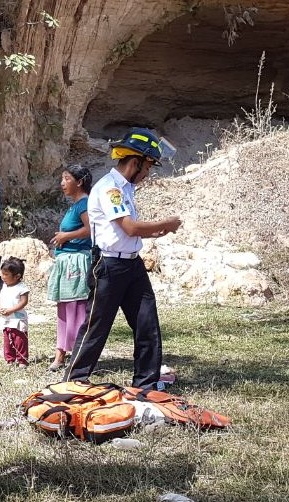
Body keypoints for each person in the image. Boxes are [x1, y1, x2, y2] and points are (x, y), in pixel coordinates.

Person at [63, 128, 182, 390]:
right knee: (97, 326)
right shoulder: (111, 189)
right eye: (148, 166)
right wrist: (167, 223)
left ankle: (146, 383)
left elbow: (124, 232)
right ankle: (74, 380)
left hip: (131, 263)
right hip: (109, 265)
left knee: (146, 324)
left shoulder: (125, 189)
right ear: (135, 162)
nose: (148, 173)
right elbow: (129, 227)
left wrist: (153, 232)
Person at [46, 164, 93, 371]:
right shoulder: (75, 205)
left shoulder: (84, 204)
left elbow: (90, 229)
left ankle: (78, 354)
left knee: (76, 309)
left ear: (79, 181)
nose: (62, 183)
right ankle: (61, 354)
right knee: (65, 308)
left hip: (76, 263)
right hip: (67, 262)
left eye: (66, 178)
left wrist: (66, 236)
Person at [0, 257, 30, 368]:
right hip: (6, 319)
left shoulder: (21, 288)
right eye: (2, 274)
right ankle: (10, 359)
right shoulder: (2, 286)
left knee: (19, 339)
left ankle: (22, 359)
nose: (3, 277)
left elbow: (23, 302)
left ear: (17, 276)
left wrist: (11, 310)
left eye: (6, 275)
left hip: (18, 319)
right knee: (7, 339)